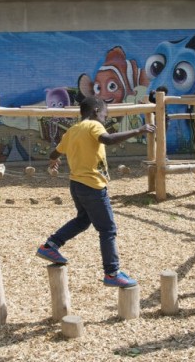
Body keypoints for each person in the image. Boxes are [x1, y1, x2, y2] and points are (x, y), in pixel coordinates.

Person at [36, 96, 155, 288]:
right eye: (105, 115)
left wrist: (53, 160)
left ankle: (50, 246)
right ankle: (112, 273)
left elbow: (54, 153)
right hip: (92, 186)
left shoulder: (72, 131)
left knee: (83, 220)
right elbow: (107, 139)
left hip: (76, 184)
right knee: (107, 229)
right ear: (95, 111)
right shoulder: (93, 126)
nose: (105, 119)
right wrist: (138, 130)